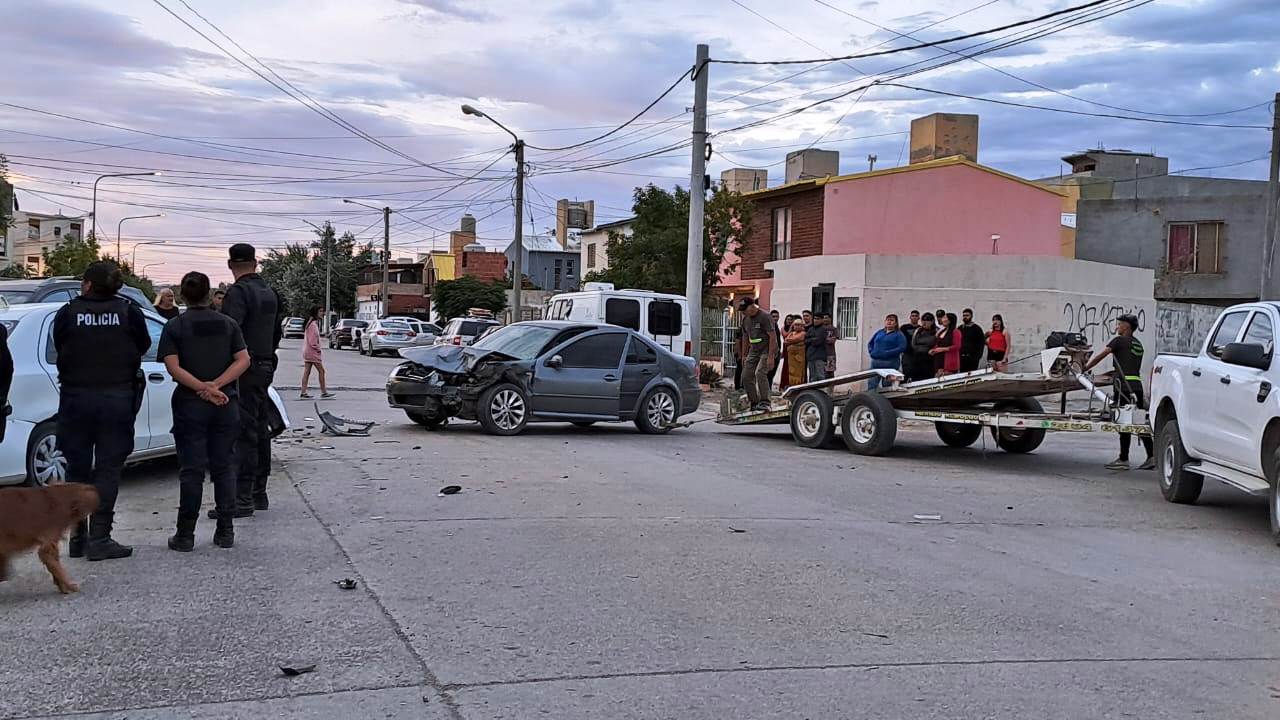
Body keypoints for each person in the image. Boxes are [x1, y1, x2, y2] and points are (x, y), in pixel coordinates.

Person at [53, 261, 151, 561]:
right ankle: (100, 537)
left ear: (87, 284)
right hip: (116, 398)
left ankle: (77, 537)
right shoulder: (129, 312)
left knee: (76, 468)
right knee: (108, 468)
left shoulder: (68, 312)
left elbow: (60, 344)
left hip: (76, 398)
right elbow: (143, 345)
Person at [159, 272, 251, 552]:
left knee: (191, 470)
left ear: (183, 295)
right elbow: (243, 360)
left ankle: (185, 534)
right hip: (225, 403)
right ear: (210, 294)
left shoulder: (175, 326)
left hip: (190, 404)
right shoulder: (228, 324)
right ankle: (225, 531)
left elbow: (173, 367)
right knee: (224, 467)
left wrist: (202, 388)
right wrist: (217, 386)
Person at [217, 243, 284, 519]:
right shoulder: (270, 292)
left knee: (243, 431)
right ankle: (259, 493)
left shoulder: (238, 293)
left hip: (244, 368)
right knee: (260, 428)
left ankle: (241, 498)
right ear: (255, 263)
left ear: (230, 265)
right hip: (265, 364)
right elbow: (277, 332)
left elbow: (229, 333)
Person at [1084, 314, 1154, 471]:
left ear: (1126, 326)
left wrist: (1085, 368)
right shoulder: (1138, 344)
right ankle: (1152, 456)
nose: (1117, 327)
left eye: (1120, 324)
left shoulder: (1118, 341)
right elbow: (1127, 363)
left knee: (1123, 422)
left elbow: (1100, 356)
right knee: (1138, 422)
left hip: (1123, 387)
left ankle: (1123, 459)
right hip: (1137, 387)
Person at [736, 297, 777, 411]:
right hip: (754, 350)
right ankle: (754, 402)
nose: (743, 312)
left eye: (745, 309)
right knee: (746, 376)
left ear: (752, 306)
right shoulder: (746, 320)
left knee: (760, 373)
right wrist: (744, 355)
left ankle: (765, 402)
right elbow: (745, 338)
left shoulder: (765, 317)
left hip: (766, 350)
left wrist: (771, 357)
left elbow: (773, 337)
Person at [299, 306, 334, 399]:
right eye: (320, 311)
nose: (322, 313)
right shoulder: (313, 325)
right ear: (315, 313)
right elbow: (313, 341)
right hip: (312, 351)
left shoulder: (310, 323)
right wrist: (318, 349)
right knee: (321, 371)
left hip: (307, 350)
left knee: (307, 372)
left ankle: (303, 392)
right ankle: (324, 392)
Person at [867, 314, 908, 390]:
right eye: (888, 320)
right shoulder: (880, 332)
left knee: (887, 386)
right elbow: (870, 343)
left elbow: (902, 347)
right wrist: (872, 352)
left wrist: (887, 353)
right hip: (876, 364)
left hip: (890, 364)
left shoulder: (899, 334)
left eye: (892, 320)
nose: (889, 322)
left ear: (896, 323)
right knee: (872, 384)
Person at [908, 312, 938, 381]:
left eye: (927, 321)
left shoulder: (936, 331)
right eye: (923, 320)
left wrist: (928, 350)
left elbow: (937, 344)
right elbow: (913, 344)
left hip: (929, 359)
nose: (924, 323)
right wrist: (921, 349)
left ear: (932, 321)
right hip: (917, 358)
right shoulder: (918, 330)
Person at [930, 312, 961, 377]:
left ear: (949, 320)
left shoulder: (956, 332)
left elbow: (957, 346)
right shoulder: (941, 331)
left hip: (949, 362)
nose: (942, 319)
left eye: (944, 317)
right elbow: (938, 344)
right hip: (939, 362)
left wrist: (943, 349)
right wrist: (933, 350)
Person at [781, 317, 807, 389]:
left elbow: (797, 339)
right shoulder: (792, 333)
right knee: (790, 372)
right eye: (795, 325)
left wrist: (790, 341)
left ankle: (798, 387)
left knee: (798, 373)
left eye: (799, 325)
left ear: (802, 326)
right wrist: (790, 340)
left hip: (798, 357)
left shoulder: (803, 333)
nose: (797, 326)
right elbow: (786, 340)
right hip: (790, 357)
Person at [958, 308, 986, 372]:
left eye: (967, 315)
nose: (965, 317)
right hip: (961, 358)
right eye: (964, 315)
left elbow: (981, 343)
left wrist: (977, 357)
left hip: (972, 359)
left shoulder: (977, 329)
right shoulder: (960, 328)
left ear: (971, 316)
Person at [804, 311, 828, 382]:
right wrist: (813, 339)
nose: (815, 320)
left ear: (822, 320)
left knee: (820, 376)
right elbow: (805, 340)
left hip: (820, 356)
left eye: (818, 319)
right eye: (814, 318)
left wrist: (811, 339)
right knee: (812, 377)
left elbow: (818, 341)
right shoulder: (811, 329)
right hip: (810, 356)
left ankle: (822, 389)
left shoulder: (824, 329)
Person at [900, 310, 920, 379]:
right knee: (906, 371)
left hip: (917, 354)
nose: (914, 317)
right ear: (910, 317)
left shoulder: (920, 329)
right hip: (907, 353)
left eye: (916, 316)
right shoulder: (904, 328)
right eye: (913, 316)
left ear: (918, 318)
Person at [767, 309, 782, 387]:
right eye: (773, 317)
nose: (775, 318)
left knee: (772, 372)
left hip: (777, 353)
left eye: (776, 316)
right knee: (769, 372)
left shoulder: (776, 326)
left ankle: (768, 388)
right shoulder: (768, 326)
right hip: (770, 353)